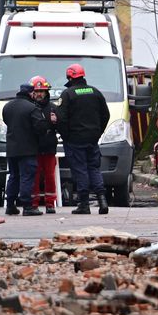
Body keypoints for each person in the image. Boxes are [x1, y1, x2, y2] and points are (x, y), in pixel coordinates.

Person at [56, 63, 110, 215]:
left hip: (74, 140)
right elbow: (105, 115)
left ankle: (84, 205)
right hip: (92, 139)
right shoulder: (96, 92)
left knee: (80, 171)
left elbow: (61, 118)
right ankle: (102, 200)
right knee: (94, 168)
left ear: (69, 77)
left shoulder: (68, 94)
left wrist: (66, 135)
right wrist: (98, 132)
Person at [2, 80, 49, 216]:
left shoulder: (8, 106)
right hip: (28, 149)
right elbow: (40, 127)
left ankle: (10, 205)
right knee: (27, 177)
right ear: (31, 93)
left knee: (13, 176)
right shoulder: (32, 108)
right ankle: (27, 206)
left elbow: (6, 121)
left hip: (11, 148)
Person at [28, 75, 60, 214]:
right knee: (33, 177)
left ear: (46, 92)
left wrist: (56, 122)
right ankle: (33, 204)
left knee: (50, 176)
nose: (39, 94)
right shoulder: (28, 107)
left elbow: (60, 125)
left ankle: (50, 203)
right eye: (37, 91)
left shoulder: (53, 108)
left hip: (48, 147)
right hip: (33, 147)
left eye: (42, 91)